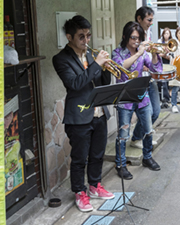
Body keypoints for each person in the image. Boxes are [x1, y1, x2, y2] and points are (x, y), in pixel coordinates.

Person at [52, 15, 115, 212]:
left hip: (99, 112)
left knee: (98, 154)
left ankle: (95, 186)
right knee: (80, 158)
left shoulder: (90, 54)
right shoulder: (61, 59)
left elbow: (102, 83)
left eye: (88, 36)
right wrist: (96, 64)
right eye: (81, 37)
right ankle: (80, 192)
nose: (86, 40)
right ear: (69, 37)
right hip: (79, 115)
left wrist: (105, 69)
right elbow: (76, 84)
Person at [112, 21, 162, 175]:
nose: (136, 41)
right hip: (124, 98)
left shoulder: (143, 53)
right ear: (125, 36)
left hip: (142, 95)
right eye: (133, 38)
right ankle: (120, 164)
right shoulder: (117, 52)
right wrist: (139, 53)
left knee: (148, 130)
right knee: (123, 134)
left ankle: (147, 157)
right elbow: (121, 68)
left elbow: (156, 70)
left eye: (139, 38)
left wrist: (154, 54)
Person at [132, 6, 160, 148]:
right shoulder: (132, 34)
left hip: (150, 77)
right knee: (146, 113)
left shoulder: (147, 33)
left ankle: (138, 136)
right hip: (138, 81)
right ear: (139, 19)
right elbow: (128, 55)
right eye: (149, 20)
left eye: (152, 20)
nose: (151, 23)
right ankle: (138, 139)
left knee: (156, 112)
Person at [157, 27, 173, 108]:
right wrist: (164, 53)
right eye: (165, 33)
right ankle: (162, 98)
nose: (167, 35)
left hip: (168, 62)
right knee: (161, 80)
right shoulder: (160, 42)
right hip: (160, 62)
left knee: (167, 80)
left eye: (168, 33)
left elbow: (172, 56)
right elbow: (158, 54)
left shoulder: (171, 42)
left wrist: (167, 54)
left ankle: (166, 98)